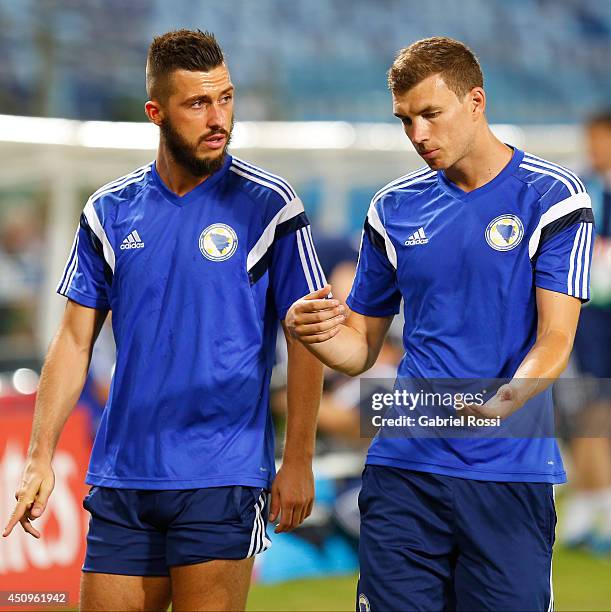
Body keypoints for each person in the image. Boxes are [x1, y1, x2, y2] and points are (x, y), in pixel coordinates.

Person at [3, 29, 325, 612]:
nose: (218, 118)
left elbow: (307, 338)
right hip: (123, 475)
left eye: (225, 98)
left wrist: (298, 457)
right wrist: (39, 456)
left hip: (220, 476)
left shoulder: (270, 206)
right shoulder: (109, 211)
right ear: (156, 112)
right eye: (198, 104)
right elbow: (74, 342)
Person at [286, 37, 594, 611]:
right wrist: (319, 332)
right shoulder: (392, 209)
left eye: (431, 114)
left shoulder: (552, 198)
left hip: (509, 471)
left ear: (476, 101)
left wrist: (511, 395)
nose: (418, 136)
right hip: (404, 469)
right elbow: (361, 348)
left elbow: (556, 336)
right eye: (406, 120)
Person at [560, 110, 611, 552]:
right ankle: (594, 503)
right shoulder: (582, 188)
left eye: (599, 138)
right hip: (591, 314)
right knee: (591, 406)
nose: (593, 147)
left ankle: (595, 504)